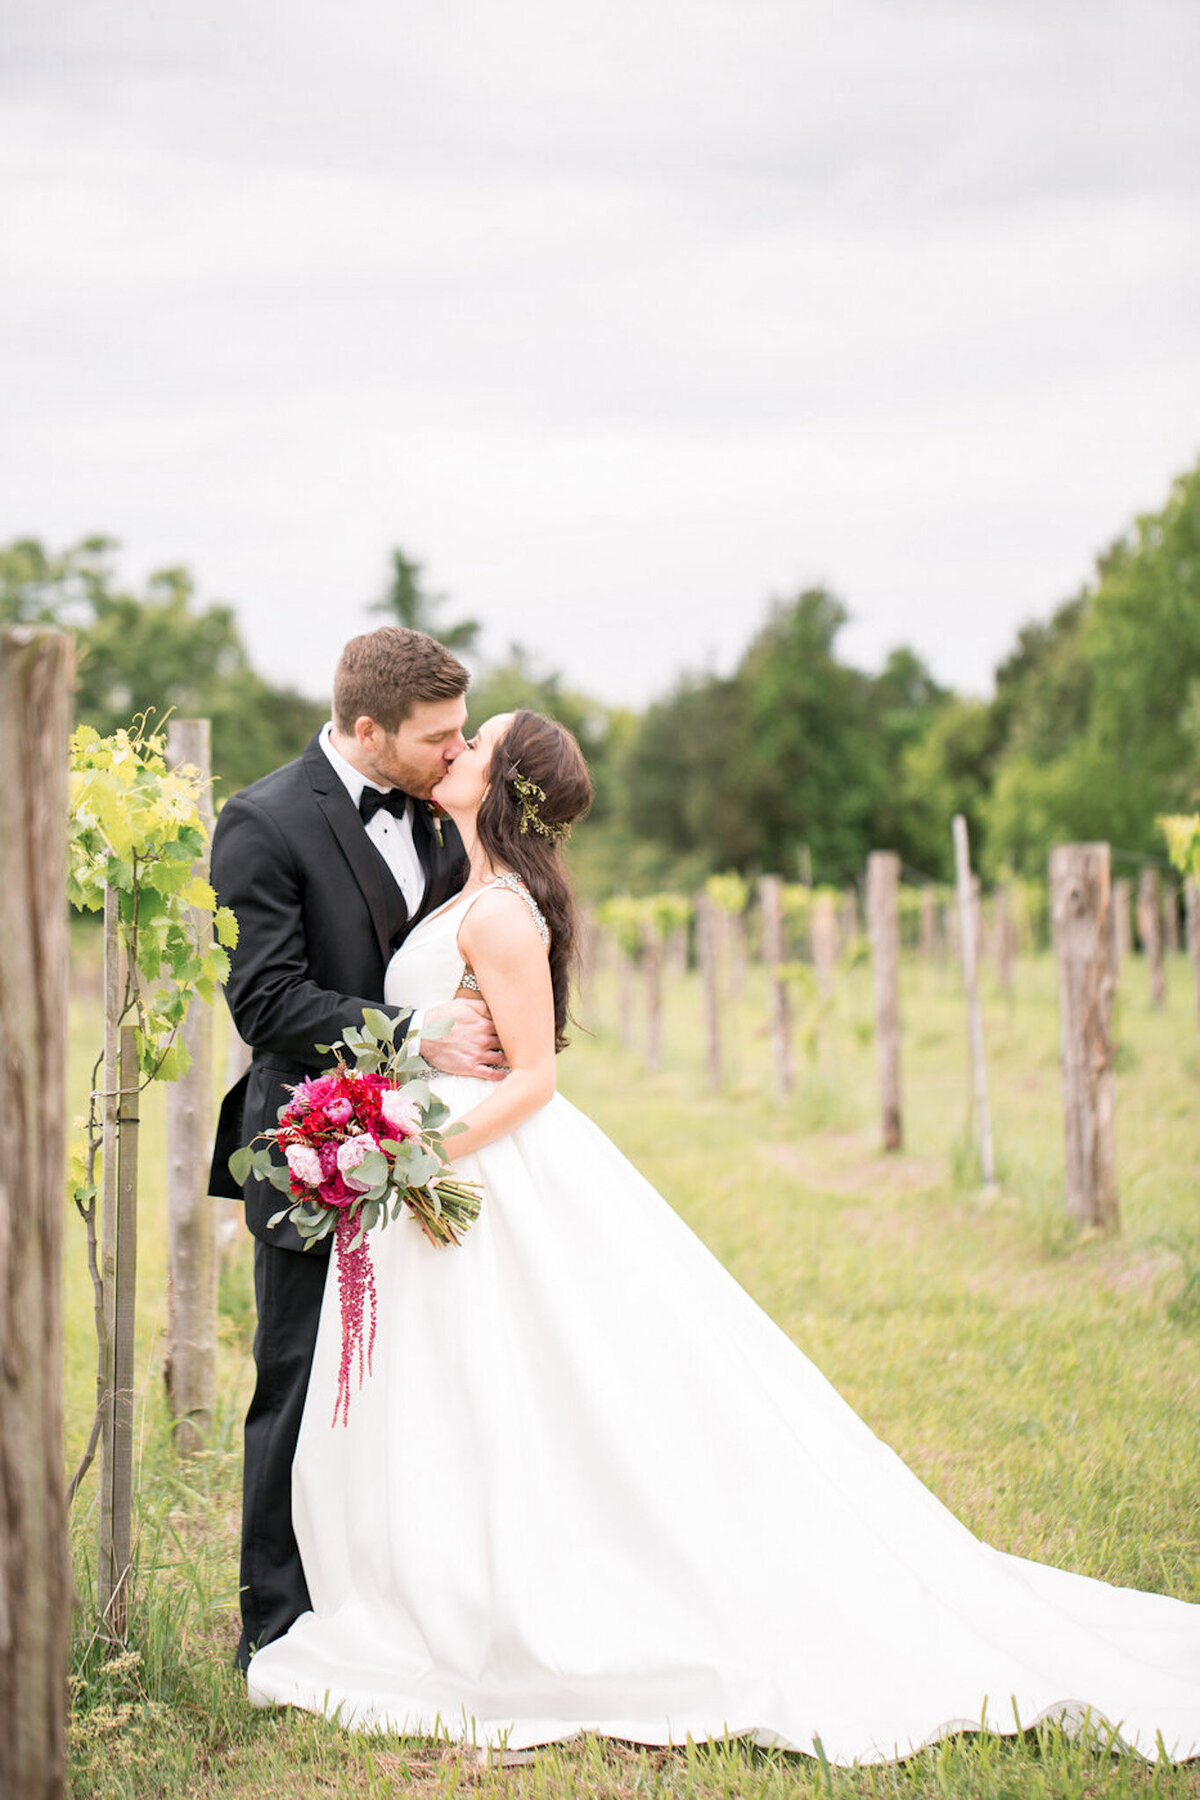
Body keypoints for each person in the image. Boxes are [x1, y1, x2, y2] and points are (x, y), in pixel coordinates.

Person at [245, 710, 1200, 1765]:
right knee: (453, 1393)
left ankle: (521, 1595)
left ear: (504, 783)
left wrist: (420, 1152)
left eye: (477, 743)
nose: (455, 751)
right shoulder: (455, 882)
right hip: (431, 1169)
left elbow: (536, 1078)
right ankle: (423, 1580)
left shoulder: (503, 912)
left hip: (476, 1167)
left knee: (532, 1386)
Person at [209, 626, 503, 1674]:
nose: (454, 755)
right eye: (436, 738)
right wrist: (415, 1034)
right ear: (366, 729)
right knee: (297, 1376)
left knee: (413, 1382)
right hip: (309, 1144)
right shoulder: (262, 821)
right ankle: (278, 1630)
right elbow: (266, 997)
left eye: (460, 733)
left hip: (434, 1148)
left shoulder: (440, 815)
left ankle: (394, 1592)